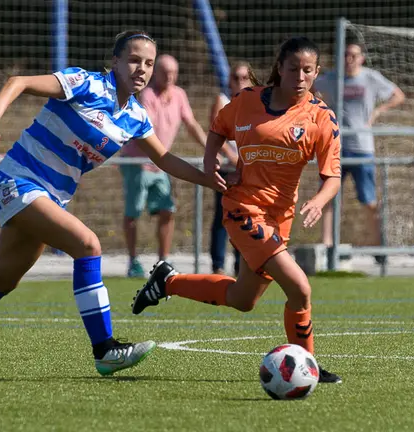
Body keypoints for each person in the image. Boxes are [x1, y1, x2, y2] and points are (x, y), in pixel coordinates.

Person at [0, 30, 226, 379]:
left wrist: (209, 179)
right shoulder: (86, 84)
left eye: (148, 63)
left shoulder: (136, 117)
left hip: (51, 197)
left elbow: (165, 159)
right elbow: (18, 82)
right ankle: (105, 349)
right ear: (115, 62)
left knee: (3, 280)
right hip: (17, 180)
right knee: (88, 245)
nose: (141, 69)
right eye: (133, 60)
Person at [131, 37, 343, 384]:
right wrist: (210, 159)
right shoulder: (247, 101)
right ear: (280, 68)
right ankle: (309, 366)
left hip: (280, 218)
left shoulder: (321, 117)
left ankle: (168, 282)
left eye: (308, 70)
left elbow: (332, 176)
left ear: (317, 72)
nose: (300, 77)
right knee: (300, 289)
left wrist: (319, 201)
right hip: (242, 208)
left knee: (243, 299)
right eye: (293, 69)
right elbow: (218, 128)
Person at [118, 54, 211, 278]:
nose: (169, 77)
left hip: (161, 164)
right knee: (133, 213)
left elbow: (191, 124)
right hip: (138, 163)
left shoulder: (179, 95)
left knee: (167, 210)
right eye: (165, 72)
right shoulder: (147, 94)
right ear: (156, 73)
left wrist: (211, 149)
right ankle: (133, 261)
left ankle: (163, 260)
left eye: (173, 73)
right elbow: (146, 129)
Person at [315, 38, 405, 264]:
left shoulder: (370, 78)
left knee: (369, 200)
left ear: (361, 58)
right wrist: (319, 110)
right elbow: (310, 90)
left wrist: (378, 112)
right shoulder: (331, 78)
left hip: (362, 148)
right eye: (345, 55)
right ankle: (328, 247)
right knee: (328, 198)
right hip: (335, 148)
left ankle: (378, 248)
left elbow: (398, 95)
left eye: (354, 55)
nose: (349, 59)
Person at [208, 62, 258, 275]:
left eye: (244, 78)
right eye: (236, 78)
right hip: (228, 168)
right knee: (223, 216)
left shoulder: (256, 104)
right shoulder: (223, 100)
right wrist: (233, 157)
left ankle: (241, 264)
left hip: (247, 169)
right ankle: (218, 264)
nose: (240, 82)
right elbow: (215, 133)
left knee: (245, 216)